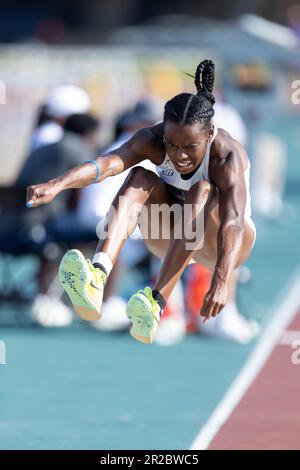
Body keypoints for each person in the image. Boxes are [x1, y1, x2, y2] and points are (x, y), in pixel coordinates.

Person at [26, 59, 256, 345]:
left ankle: (156, 302)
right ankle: (97, 276)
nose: (179, 155)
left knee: (201, 190)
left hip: (224, 245)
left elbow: (233, 221)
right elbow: (106, 164)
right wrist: (56, 185)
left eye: (190, 147)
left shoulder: (227, 156)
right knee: (138, 176)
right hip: (170, 238)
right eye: (172, 144)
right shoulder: (152, 139)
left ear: (209, 134)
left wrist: (220, 281)